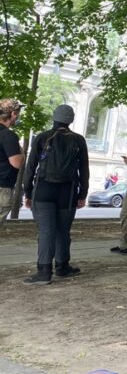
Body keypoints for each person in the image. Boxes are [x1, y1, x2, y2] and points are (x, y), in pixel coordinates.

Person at [22, 104, 89, 285]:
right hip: (67, 192)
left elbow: (30, 168)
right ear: (71, 120)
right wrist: (82, 193)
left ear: (54, 117)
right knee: (63, 231)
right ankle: (62, 266)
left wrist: (27, 192)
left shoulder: (42, 138)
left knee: (46, 231)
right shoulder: (79, 140)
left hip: (43, 190)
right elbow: (84, 169)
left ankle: (44, 272)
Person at [0, 99, 24, 229]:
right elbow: (17, 163)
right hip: (2, 188)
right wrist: (22, 153)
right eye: (18, 112)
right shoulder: (8, 136)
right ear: (13, 113)